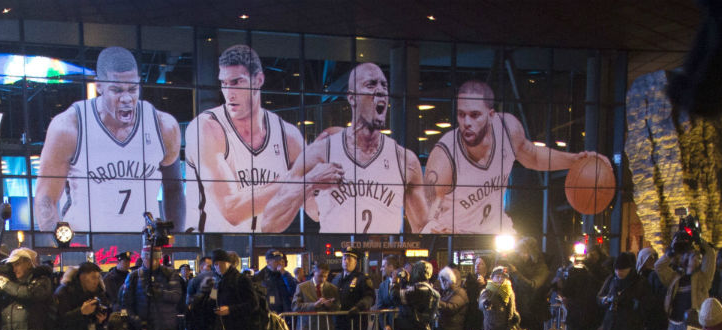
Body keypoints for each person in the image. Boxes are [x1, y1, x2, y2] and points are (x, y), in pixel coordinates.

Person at [184, 43, 339, 234]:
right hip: (214, 247)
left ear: (258, 80)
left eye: (236, 82)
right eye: (224, 83)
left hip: (269, 244)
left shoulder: (288, 135)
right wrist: (302, 178)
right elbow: (231, 210)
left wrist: (335, 169)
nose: (229, 93)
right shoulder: (206, 127)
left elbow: (315, 210)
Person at [34, 47, 183, 234]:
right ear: (99, 86)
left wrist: (175, 246)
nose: (126, 98)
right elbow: (45, 198)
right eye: (117, 90)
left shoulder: (163, 125)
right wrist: (61, 251)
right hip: (86, 244)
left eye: (133, 89)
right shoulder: (69, 126)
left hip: (144, 249)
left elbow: (174, 189)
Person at [422, 80, 585, 234]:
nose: (467, 122)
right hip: (460, 236)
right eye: (461, 114)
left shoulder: (507, 129)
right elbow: (427, 211)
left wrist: (575, 160)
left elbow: (533, 156)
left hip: (497, 233)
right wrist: (436, 228)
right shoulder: (445, 154)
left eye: (474, 115)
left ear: (491, 115)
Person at [305, 62, 429, 234]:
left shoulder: (405, 159)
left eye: (384, 85)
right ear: (351, 97)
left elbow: (422, 226)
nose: (380, 91)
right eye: (371, 84)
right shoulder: (326, 149)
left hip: (385, 248)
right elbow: (314, 213)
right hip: (338, 245)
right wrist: (311, 185)